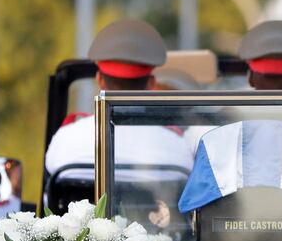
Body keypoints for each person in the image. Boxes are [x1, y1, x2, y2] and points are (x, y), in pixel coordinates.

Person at [44, 20, 193, 183]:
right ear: (151, 84)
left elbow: (50, 199)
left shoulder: (66, 139)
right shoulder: (177, 147)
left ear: (99, 79)